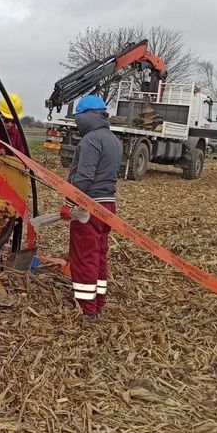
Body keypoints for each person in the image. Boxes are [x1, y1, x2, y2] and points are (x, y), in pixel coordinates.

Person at [60, 94, 123, 319]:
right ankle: (98, 303)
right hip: (108, 206)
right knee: (99, 255)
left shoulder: (90, 140)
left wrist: (69, 203)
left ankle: (86, 309)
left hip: (88, 208)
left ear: (86, 116)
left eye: (78, 117)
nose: (76, 122)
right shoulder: (114, 140)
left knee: (84, 256)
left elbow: (84, 177)